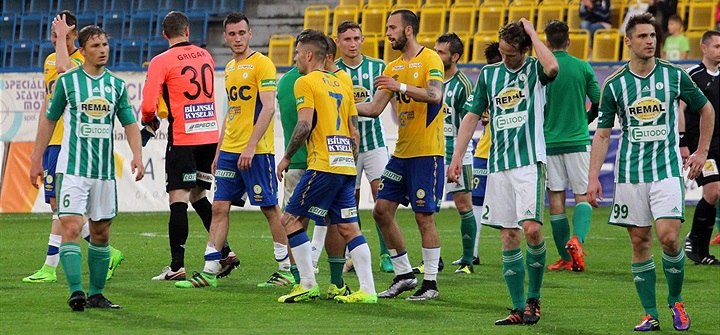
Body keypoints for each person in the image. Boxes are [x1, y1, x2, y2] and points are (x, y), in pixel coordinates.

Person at [587, 13, 715, 332]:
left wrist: (700, 151)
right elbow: (603, 134)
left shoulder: (673, 75)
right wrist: (591, 178)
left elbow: (706, 109)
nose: (650, 41)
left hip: (667, 170)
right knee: (640, 240)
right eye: (643, 36)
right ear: (627, 41)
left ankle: (676, 302)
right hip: (630, 173)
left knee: (669, 238)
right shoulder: (614, 84)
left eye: (653, 36)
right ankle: (649, 313)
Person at [449, 18, 559, 325]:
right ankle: (517, 306)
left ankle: (534, 299)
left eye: (511, 53)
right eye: (502, 51)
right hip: (498, 166)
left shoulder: (535, 70)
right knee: (509, 236)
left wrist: (534, 34)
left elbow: (553, 68)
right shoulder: (489, 74)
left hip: (529, 164)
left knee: (532, 230)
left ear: (525, 49)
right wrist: (457, 156)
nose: (506, 57)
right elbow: (471, 117)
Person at [29, 25, 145, 311]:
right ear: (82, 51)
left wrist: (137, 155)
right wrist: (36, 158)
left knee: (101, 232)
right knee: (71, 225)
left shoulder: (116, 86)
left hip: (104, 172)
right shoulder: (67, 82)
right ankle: (76, 291)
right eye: (95, 46)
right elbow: (49, 119)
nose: (102, 50)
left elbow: (130, 123)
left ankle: (96, 294)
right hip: (72, 170)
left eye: (105, 44)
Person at [174, 12, 292, 289]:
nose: (237, 38)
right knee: (218, 207)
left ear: (250, 34)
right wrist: (218, 151)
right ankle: (210, 269)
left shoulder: (262, 64)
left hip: (257, 151)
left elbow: (269, 107)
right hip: (229, 150)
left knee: (269, 209)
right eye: (232, 34)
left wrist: (251, 146)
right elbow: (231, 112)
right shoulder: (229, 68)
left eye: (242, 33)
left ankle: (286, 269)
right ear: (225, 37)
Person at [23, 11, 125, 284]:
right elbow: (49, 102)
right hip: (53, 142)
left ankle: (50, 265)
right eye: (54, 32)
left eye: (64, 33)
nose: (57, 37)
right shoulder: (49, 60)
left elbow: (64, 70)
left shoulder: (81, 60)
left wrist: (62, 41)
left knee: (62, 208)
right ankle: (84, 255)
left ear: (73, 35)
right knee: (58, 207)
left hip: (73, 145)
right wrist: (37, 148)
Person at [276, 29, 376, 304]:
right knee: (348, 227)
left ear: (309, 55)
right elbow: (354, 132)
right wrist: (348, 161)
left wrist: (286, 157)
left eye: (298, 53)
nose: (295, 58)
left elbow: (305, 124)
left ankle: (307, 283)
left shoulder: (306, 82)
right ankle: (368, 290)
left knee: (290, 221)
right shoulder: (342, 83)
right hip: (345, 165)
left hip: (322, 164)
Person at [141, 11, 238, 282]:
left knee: (178, 201)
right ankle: (225, 252)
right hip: (209, 136)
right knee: (198, 197)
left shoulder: (162, 60)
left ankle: (176, 266)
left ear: (164, 34)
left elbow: (149, 105)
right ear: (188, 31)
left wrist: (148, 122)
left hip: (184, 138)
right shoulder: (204, 55)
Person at [355, 10, 444, 301]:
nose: (388, 33)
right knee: (381, 211)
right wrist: (339, 103)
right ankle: (405, 274)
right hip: (402, 152)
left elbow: (435, 96)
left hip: (427, 152)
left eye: (392, 27)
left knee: (423, 217)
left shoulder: (430, 58)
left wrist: (401, 87)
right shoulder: (392, 66)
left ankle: (430, 283)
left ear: (408, 30)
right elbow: (372, 109)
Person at [334, 20, 394, 274]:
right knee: (351, 201)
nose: (352, 44)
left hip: (375, 144)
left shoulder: (378, 67)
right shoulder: (333, 71)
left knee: (383, 199)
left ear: (363, 40)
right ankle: (353, 254)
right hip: (346, 147)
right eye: (346, 39)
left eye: (356, 38)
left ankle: (387, 254)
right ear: (337, 42)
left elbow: (384, 103)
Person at [543, 20, 600, 273]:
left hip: (548, 142)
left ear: (546, 42)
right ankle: (577, 240)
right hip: (578, 140)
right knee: (581, 196)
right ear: (569, 41)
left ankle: (565, 258)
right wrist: (584, 120)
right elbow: (599, 102)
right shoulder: (583, 67)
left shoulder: (541, 68)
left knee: (556, 199)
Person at [456, 42, 503, 269]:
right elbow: (471, 113)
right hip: (484, 150)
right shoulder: (485, 84)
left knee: (511, 209)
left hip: (510, 154)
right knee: (475, 201)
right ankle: (472, 253)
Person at [433, 33, 477, 275]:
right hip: (433, 152)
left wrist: (457, 157)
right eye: (436, 50)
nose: (436, 55)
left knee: (463, 204)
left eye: (441, 52)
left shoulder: (463, 85)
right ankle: (433, 259)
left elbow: (467, 124)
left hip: (458, 153)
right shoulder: (431, 80)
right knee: (428, 207)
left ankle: (468, 261)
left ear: (455, 56)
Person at [681, 30, 720, 265]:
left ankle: (700, 248)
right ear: (704, 48)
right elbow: (680, 110)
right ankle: (696, 244)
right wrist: (683, 141)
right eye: (716, 46)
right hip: (701, 147)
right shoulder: (692, 76)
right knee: (713, 191)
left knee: (715, 194)